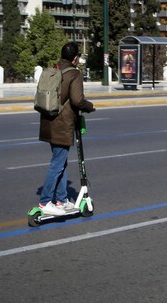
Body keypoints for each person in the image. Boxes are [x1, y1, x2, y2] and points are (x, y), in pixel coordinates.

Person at [37, 42, 95, 216]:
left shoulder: (53, 70)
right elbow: (77, 100)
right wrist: (89, 106)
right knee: (57, 163)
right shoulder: (74, 74)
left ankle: (61, 199)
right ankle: (45, 201)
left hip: (48, 121)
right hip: (62, 125)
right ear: (75, 58)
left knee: (60, 161)